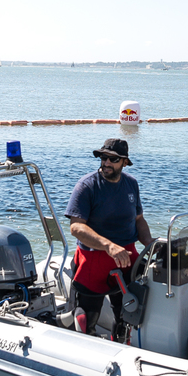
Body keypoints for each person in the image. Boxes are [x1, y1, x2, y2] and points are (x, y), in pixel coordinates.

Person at [65, 138, 151, 337]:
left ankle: (121, 345)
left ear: (125, 162)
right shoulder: (86, 186)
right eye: (103, 158)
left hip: (127, 259)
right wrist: (109, 246)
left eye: (113, 159)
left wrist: (151, 243)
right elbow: (76, 227)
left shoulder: (131, 184)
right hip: (93, 261)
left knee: (127, 318)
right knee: (86, 321)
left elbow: (139, 219)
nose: (106, 163)